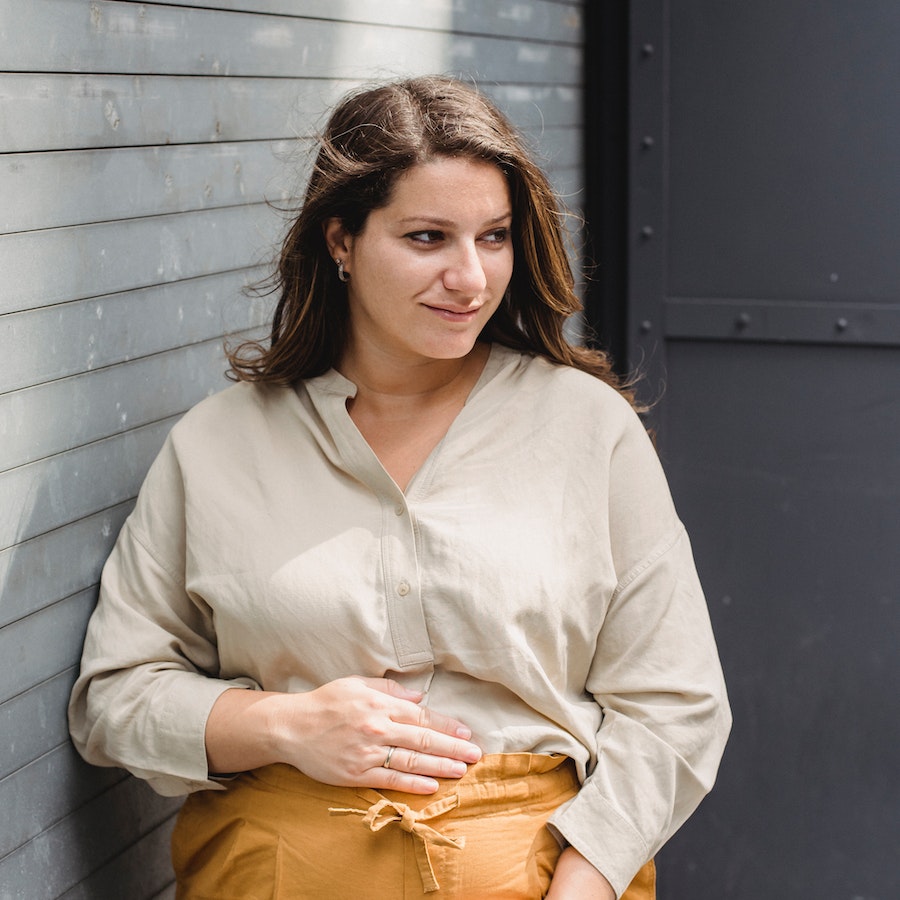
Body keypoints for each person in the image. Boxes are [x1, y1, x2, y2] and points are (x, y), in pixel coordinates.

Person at [69, 75, 730, 899]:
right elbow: (114, 699)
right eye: (427, 237)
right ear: (340, 240)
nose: (471, 277)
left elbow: (676, 704)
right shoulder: (221, 443)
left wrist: (585, 884)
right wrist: (286, 725)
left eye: (494, 237)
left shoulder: (586, 429)